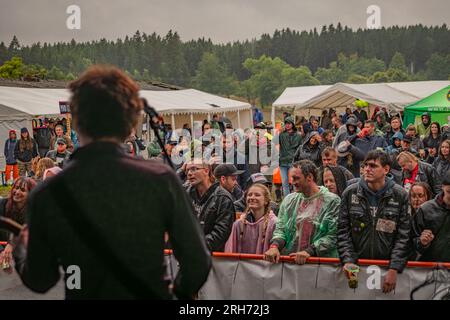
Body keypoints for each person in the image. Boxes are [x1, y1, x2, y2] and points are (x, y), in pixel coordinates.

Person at [10, 65, 211, 299]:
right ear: (129, 124)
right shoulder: (160, 180)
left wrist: (20, 248)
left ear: (75, 121)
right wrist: (177, 293)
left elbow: (41, 280)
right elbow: (197, 260)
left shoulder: (47, 193)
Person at [337, 150, 411, 293]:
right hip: (356, 267)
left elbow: (404, 235)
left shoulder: (400, 195)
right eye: (365, 165)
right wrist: (347, 260)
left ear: (386, 169)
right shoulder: (350, 193)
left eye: (373, 166)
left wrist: (394, 267)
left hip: (388, 269)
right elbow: (342, 231)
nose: (367, 169)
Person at [264, 160, 341, 265]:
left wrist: (309, 251)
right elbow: (281, 228)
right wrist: (274, 246)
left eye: (296, 178)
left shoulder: (332, 201)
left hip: (321, 265)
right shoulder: (289, 200)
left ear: (309, 177)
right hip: (291, 263)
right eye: (292, 178)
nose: (293, 182)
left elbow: (333, 235)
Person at [186, 159, 235, 252]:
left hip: (212, 257)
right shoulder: (185, 194)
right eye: (187, 170)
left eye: (193, 169)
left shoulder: (223, 198)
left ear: (206, 171)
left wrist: (195, 246)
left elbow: (221, 233)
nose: (189, 173)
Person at [225, 183, 278, 254]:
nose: (252, 197)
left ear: (266, 201)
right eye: (249, 195)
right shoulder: (239, 224)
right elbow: (230, 250)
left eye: (257, 195)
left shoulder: (274, 224)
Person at [411, 171, 450, 262]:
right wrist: (422, 242)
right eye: (449, 192)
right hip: (430, 268)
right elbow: (411, 241)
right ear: (443, 187)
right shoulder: (425, 210)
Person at [0, 177, 37, 273]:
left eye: (23, 190)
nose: (17, 192)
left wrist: (11, 244)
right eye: (15, 188)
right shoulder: (3, 204)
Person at [279, 116, 303, 197]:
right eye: (286, 123)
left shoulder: (298, 136)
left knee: (294, 181)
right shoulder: (281, 134)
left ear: (292, 124)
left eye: (289, 123)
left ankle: (295, 198)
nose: (287, 125)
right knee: (284, 182)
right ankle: (287, 199)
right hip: (283, 161)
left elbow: (301, 148)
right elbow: (273, 140)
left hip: (293, 161)